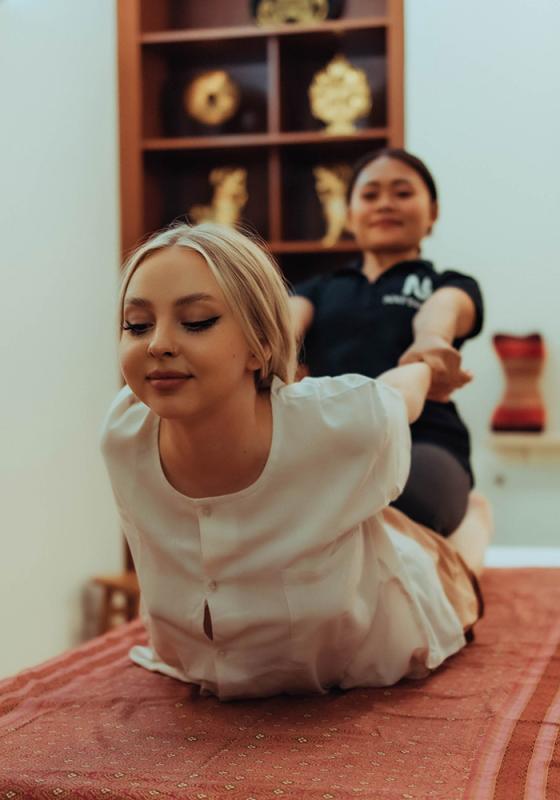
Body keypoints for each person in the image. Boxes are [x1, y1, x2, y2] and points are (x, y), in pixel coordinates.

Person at [101, 222, 487, 702]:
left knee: (454, 571)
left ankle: (476, 520)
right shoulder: (122, 435)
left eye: (197, 320)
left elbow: (396, 397)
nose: (157, 343)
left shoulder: (337, 422)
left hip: (367, 643)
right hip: (208, 661)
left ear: (261, 343)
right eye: (136, 325)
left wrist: (428, 366)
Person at [290, 148, 484, 537]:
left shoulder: (447, 284)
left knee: (404, 503)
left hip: (425, 441)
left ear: (433, 213)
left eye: (402, 192)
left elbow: (443, 311)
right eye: (370, 194)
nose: (385, 204)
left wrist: (430, 342)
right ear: (349, 215)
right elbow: (282, 323)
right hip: (331, 441)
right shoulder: (319, 290)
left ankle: (473, 520)